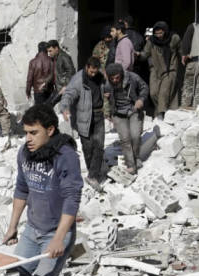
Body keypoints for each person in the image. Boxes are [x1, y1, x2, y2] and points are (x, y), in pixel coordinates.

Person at [2, 104, 82, 276]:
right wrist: (13, 226)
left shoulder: (65, 156)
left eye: (34, 133)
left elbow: (72, 199)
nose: (28, 138)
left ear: (50, 129)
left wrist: (60, 238)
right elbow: (21, 189)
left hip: (56, 233)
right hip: (32, 230)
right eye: (25, 132)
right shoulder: (25, 153)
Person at [61, 57, 107, 191]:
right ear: (86, 67)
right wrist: (65, 108)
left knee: (99, 145)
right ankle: (92, 169)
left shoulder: (100, 76)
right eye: (91, 72)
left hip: (98, 115)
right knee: (88, 147)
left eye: (95, 72)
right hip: (83, 117)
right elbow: (68, 94)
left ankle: (93, 176)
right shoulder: (78, 80)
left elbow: (107, 87)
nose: (93, 74)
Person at [104, 63, 149, 175]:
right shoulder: (106, 84)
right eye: (112, 78)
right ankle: (131, 165)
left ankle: (136, 157)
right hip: (118, 113)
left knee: (135, 136)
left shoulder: (133, 77)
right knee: (125, 139)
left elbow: (144, 87)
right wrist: (107, 111)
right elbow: (103, 99)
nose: (115, 80)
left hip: (133, 109)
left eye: (117, 78)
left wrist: (141, 99)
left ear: (122, 75)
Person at [138, 21, 181, 118]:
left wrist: (184, 56)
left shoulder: (174, 38)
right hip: (155, 70)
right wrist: (138, 55)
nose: (158, 36)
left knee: (163, 93)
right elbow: (145, 54)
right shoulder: (151, 41)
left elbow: (181, 49)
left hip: (169, 69)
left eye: (160, 33)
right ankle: (162, 110)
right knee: (153, 93)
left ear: (165, 31)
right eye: (156, 33)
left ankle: (161, 115)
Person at [47, 40, 76, 104]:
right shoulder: (56, 58)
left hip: (63, 88)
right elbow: (56, 73)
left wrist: (65, 86)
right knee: (47, 104)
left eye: (50, 51)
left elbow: (71, 71)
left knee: (49, 105)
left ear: (56, 48)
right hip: (58, 87)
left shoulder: (63, 57)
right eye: (48, 51)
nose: (49, 53)